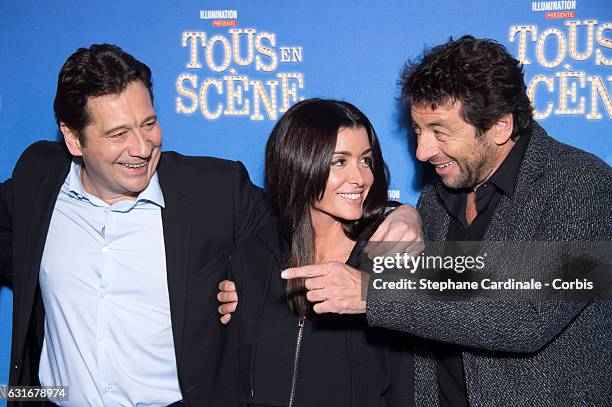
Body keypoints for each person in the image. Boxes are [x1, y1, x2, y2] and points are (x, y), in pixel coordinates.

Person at [0, 44, 422, 407]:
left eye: (149, 124)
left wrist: (403, 219)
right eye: (118, 133)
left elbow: (485, 287)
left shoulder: (216, 192)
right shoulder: (36, 178)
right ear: (74, 140)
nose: (142, 147)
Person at [254, 36, 611, 405]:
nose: (423, 151)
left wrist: (370, 293)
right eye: (418, 131)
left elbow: (527, 317)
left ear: (500, 126)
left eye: (440, 132)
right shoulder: (439, 197)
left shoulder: (582, 185)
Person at [224, 98, 414, 406]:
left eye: (366, 160)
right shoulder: (253, 256)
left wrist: (375, 291)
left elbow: (509, 282)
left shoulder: (394, 248)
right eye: (339, 161)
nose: (360, 178)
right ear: (298, 163)